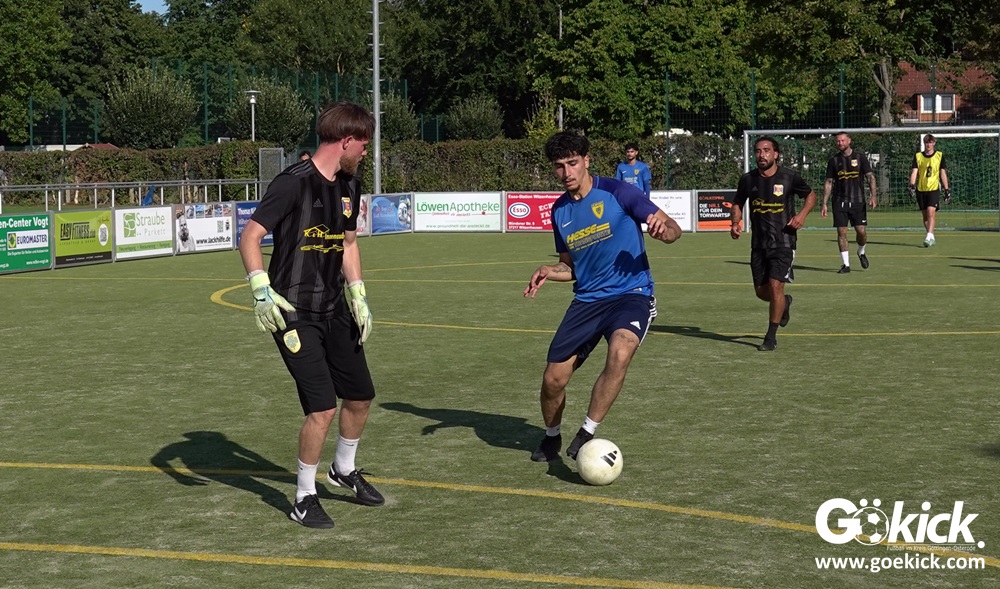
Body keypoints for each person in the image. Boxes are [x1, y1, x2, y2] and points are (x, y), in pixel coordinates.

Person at [239, 101, 383, 529]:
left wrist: (358, 294)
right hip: (293, 312)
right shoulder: (292, 183)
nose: (365, 153)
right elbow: (250, 237)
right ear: (346, 141)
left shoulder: (350, 185)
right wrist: (260, 289)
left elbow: (349, 244)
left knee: (360, 395)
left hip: (335, 307)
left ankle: (343, 469)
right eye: (364, 145)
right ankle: (304, 497)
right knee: (322, 407)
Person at [525, 131, 682, 462]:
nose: (566, 172)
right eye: (559, 166)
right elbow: (570, 267)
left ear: (586, 161)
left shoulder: (618, 191)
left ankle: (586, 433)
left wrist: (663, 232)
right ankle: (552, 437)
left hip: (631, 293)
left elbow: (673, 230)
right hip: (587, 300)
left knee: (621, 351)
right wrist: (549, 270)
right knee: (553, 380)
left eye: (572, 163)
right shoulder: (560, 211)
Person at [730, 136, 816, 351]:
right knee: (762, 292)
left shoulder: (789, 177)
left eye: (766, 150)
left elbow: (810, 196)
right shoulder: (748, 179)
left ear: (776, 154)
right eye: (758, 151)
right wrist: (735, 223)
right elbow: (738, 203)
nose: (762, 155)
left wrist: (802, 216)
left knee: (776, 285)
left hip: (784, 241)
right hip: (759, 243)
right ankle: (785, 302)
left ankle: (770, 337)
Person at [821, 132, 877, 273]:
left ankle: (861, 251)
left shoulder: (860, 158)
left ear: (849, 141)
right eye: (838, 141)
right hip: (839, 201)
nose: (840, 143)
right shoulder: (833, 161)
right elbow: (828, 182)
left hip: (858, 201)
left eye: (842, 140)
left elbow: (870, 177)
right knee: (842, 232)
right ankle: (846, 265)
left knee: (861, 232)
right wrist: (824, 203)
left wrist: (873, 196)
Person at [908, 134, 951, 247]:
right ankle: (931, 236)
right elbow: (914, 172)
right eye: (927, 142)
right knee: (925, 216)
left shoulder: (939, 156)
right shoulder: (918, 156)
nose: (928, 145)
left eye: (930, 142)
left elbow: (942, 173)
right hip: (921, 189)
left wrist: (947, 189)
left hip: (933, 189)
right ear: (924, 143)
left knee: (931, 213)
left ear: (934, 143)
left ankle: (928, 236)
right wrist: (911, 185)